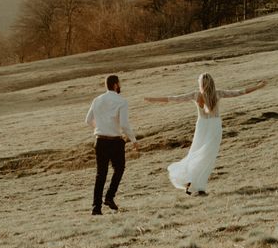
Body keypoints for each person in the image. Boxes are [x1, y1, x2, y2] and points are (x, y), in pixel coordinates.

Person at [145, 73, 266, 195]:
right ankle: (198, 186)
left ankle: (192, 182)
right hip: (214, 126)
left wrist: (153, 99)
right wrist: (259, 86)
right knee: (207, 157)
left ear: (201, 84)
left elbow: (174, 98)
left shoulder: (196, 95)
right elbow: (241, 92)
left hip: (201, 126)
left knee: (195, 153)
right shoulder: (218, 93)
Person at [85, 74, 139, 215]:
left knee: (100, 174)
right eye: (119, 83)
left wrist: (100, 127)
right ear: (115, 85)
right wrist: (133, 139)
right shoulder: (121, 101)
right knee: (119, 169)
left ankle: (96, 208)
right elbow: (124, 124)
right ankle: (109, 197)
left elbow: (88, 120)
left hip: (100, 140)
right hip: (115, 141)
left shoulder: (97, 100)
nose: (120, 86)